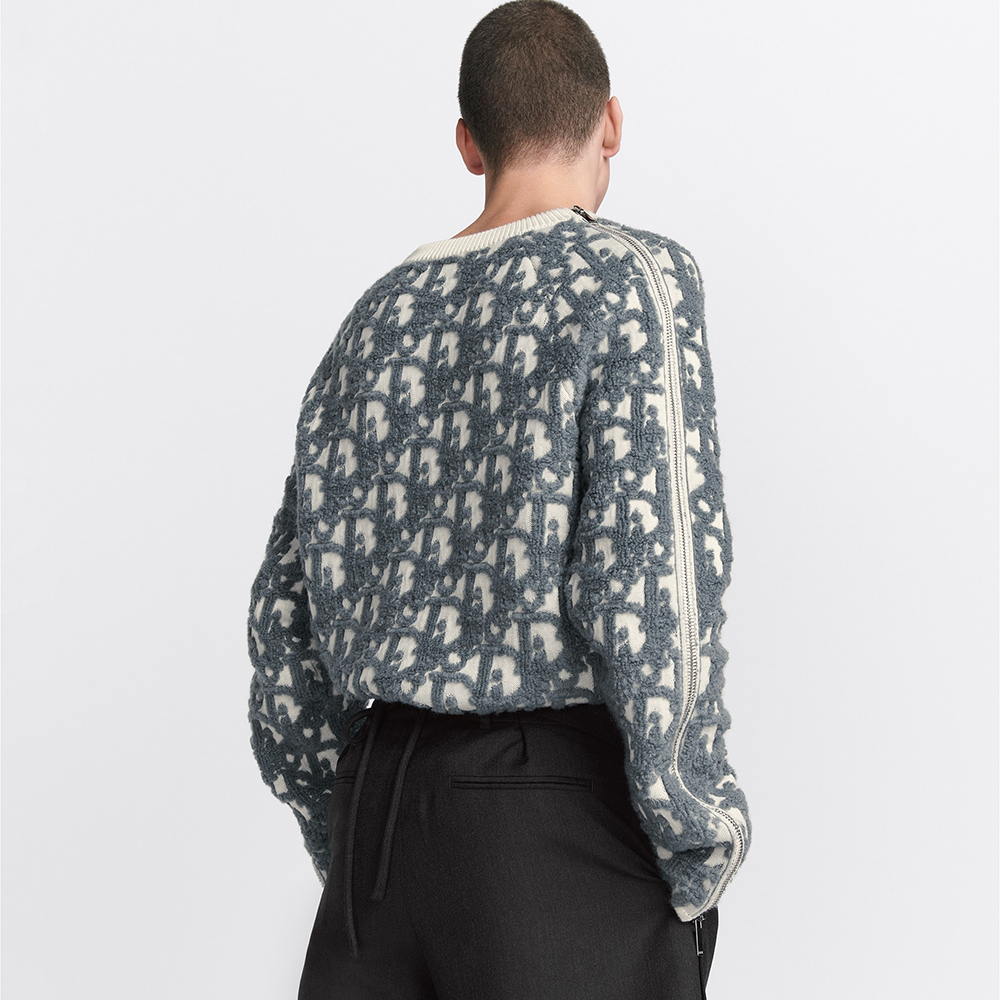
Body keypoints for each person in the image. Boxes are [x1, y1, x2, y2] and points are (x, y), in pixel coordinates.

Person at [246, 2, 752, 997]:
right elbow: (649, 580)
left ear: (469, 143)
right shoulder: (627, 279)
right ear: (611, 122)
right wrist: (698, 832)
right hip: (548, 825)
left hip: (378, 827)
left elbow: (282, 625)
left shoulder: (375, 318)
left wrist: (349, 833)